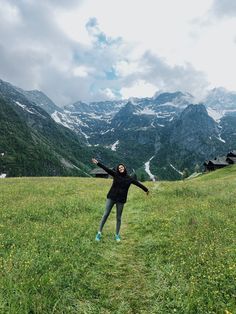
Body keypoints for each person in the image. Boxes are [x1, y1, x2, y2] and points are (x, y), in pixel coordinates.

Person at [92, 158, 149, 242]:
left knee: (118, 217)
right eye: (119, 168)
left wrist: (146, 190)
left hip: (121, 200)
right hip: (111, 197)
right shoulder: (115, 174)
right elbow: (106, 169)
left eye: (122, 168)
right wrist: (98, 163)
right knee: (105, 214)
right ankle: (99, 233)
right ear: (118, 170)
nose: (121, 169)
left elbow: (138, 184)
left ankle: (117, 235)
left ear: (124, 168)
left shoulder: (129, 178)